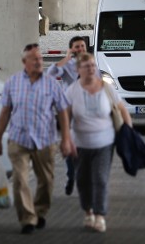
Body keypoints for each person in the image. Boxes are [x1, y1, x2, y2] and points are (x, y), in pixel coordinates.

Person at [0, 44, 73, 234]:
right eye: (34, 59)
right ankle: (27, 219)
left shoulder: (51, 84)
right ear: (24, 62)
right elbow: (5, 112)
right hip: (18, 139)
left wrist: (66, 139)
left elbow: (62, 111)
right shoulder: (12, 83)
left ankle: (40, 211)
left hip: (45, 140)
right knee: (20, 180)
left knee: (46, 181)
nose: (39, 62)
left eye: (40, 58)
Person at [65, 53, 131, 233]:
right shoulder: (72, 91)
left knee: (100, 178)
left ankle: (100, 215)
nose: (91, 69)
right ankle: (88, 211)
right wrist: (67, 139)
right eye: (86, 66)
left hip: (105, 143)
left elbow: (122, 109)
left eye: (93, 66)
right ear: (78, 70)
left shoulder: (107, 88)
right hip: (80, 144)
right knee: (83, 180)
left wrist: (129, 131)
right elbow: (66, 117)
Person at [47, 36, 89, 195]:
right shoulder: (68, 65)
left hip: (86, 111)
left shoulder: (91, 65)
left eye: (82, 46)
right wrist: (66, 57)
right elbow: (51, 73)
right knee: (70, 145)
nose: (80, 49)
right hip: (69, 112)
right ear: (72, 49)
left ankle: (81, 175)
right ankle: (71, 175)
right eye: (77, 47)